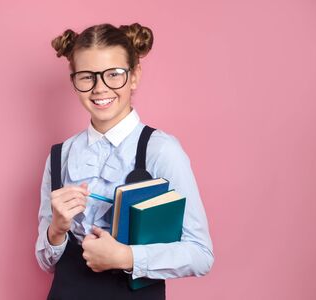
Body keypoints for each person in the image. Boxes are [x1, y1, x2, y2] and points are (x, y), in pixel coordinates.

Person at [35, 23, 214, 300]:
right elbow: (47, 263)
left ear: (134, 76)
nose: (100, 88)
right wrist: (56, 229)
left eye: (114, 74)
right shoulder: (61, 155)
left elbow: (201, 254)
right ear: (74, 81)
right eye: (86, 77)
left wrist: (126, 256)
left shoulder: (161, 150)